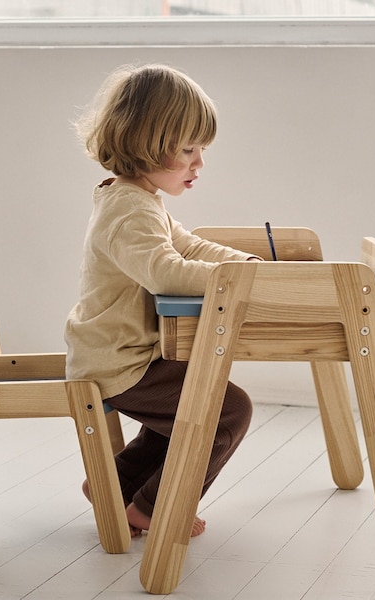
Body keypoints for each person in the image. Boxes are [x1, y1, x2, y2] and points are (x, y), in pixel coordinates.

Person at [65, 63, 258, 538]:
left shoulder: (139, 198)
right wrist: (235, 281)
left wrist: (245, 264)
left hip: (124, 356)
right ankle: (154, 509)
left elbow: (188, 247)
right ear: (145, 143)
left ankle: (118, 481)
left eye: (202, 150)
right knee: (223, 411)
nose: (199, 163)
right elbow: (166, 271)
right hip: (118, 365)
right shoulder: (129, 208)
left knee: (197, 397)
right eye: (188, 149)